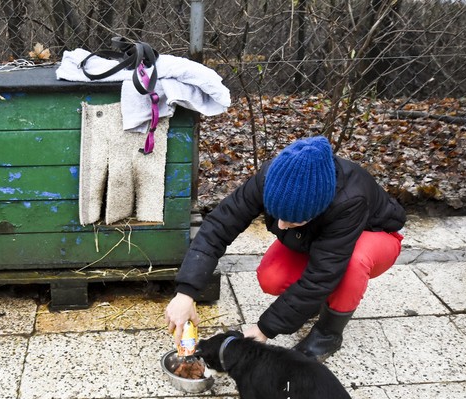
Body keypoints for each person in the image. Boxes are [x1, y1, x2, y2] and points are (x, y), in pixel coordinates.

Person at [164, 136, 406, 361]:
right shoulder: (271, 176)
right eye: (276, 215)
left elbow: (322, 276)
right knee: (272, 277)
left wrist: (263, 329)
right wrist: (186, 293)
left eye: (292, 220)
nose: (280, 226)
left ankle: (328, 334)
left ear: (319, 209)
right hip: (316, 237)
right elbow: (219, 225)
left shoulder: (350, 200)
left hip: (376, 237)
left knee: (352, 263)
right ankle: (310, 305)